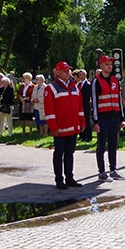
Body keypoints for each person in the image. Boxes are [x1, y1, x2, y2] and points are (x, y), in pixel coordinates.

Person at [44, 61, 86, 190]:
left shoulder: (75, 87)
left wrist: (82, 122)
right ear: (57, 72)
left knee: (70, 153)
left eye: (68, 70)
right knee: (59, 154)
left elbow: (80, 107)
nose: (68, 73)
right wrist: (53, 127)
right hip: (60, 129)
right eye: (65, 71)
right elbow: (49, 111)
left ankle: (70, 178)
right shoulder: (50, 88)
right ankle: (59, 180)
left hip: (73, 127)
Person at [91, 56, 125, 181]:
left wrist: (122, 118)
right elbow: (94, 102)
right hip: (103, 119)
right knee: (101, 146)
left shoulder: (115, 80)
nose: (109, 66)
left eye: (110, 64)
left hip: (114, 117)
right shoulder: (96, 81)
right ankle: (101, 172)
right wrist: (95, 121)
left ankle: (113, 169)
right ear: (101, 65)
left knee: (113, 144)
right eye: (106, 64)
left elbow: (119, 100)